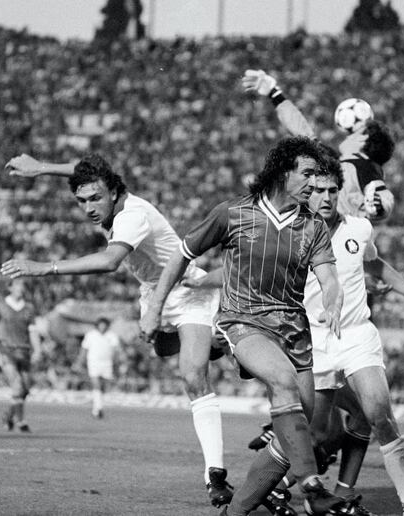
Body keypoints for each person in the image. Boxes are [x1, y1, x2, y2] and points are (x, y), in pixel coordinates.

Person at [1, 152, 233, 508]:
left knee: (192, 377)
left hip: (188, 292)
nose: (89, 208)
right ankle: (215, 344)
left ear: (113, 192)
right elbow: (90, 172)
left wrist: (42, 267)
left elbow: (109, 263)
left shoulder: (133, 216)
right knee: (159, 347)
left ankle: (214, 474)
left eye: (95, 198)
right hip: (151, 293)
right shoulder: (108, 193)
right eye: (82, 201)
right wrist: (42, 169)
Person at [140, 136, 347, 516]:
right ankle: (313, 486)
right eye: (308, 174)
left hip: (295, 330)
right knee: (282, 382)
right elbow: (180, 257)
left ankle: (235, 512)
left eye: (318, 175)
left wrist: (333, 298)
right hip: (244, 322)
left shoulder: (313, 226)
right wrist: (155, 308)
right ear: (283, 172)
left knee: (293, 436)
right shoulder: (233, 213)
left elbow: (329, 276)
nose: (314, 184)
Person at [249, 165, 404, 516]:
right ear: (307, 193)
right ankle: (271, 486)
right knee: (319, 433)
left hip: (356, 335)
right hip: (315, 341)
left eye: (332, 191)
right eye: (318, 191)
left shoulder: (360, 228)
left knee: (378, 412)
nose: (326, 198)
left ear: (340, 193)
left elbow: (375, 263)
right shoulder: (291, 233)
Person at [242, 69, 395, 222]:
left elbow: (382, 196)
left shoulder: (363, 166)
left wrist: (379, 207)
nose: (350, 135)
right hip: (328, 234)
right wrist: (274, 92)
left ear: (365, 139)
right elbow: (301, 129)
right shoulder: (339, 161)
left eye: (362, 130)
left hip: (348, 236)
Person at [0, 278, 39, 433]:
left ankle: (8, 415)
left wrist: (37, 349)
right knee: (17, 385)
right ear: (10, 287)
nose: (21, 288)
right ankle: (21, 422)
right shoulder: (0, 305)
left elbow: (32, 331)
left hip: (24, 351)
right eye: (17, 284)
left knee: (24, 389)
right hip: (6, 350)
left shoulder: (29, 308)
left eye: (23, 285)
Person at [74, 317, 121, 419]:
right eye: (101, 325)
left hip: (107, 363)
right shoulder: (90, 335)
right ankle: (98, 409)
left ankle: (97, 407)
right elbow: (84, 350)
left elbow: (116, 351)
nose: (102, 327)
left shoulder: (112, 336)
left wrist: (117, 363)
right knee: (96, 384)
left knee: (103, 387)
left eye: (104, 325)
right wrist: (79, 362)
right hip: (94, 362)